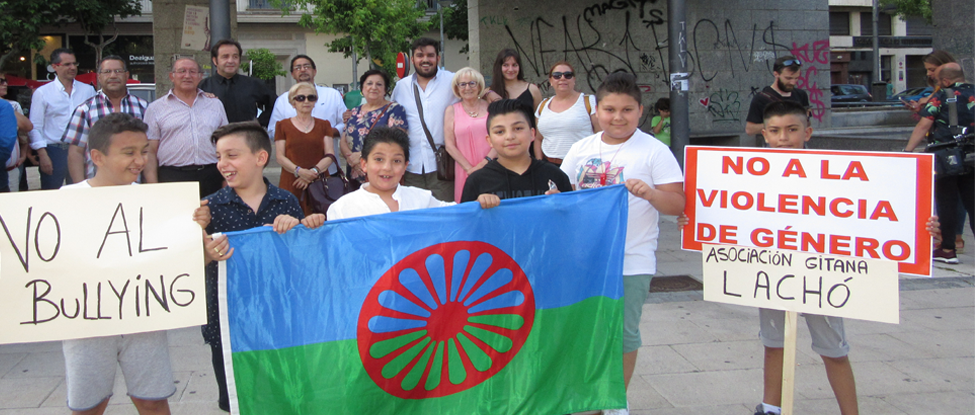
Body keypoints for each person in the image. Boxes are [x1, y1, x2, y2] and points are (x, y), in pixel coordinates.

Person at [59, 112, 210, 415]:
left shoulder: (156, 200)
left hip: (144, 318)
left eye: (143, 151)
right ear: (97, 157)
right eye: (128, 153)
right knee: (89, 404)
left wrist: (199, 232)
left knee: (153, 400)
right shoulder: (65, 199)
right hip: (86, 322)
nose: (139, 160)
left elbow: (183, 261)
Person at [560, 72, 685, 415]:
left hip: (632, 259)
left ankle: (616, 399)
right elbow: (563, 196)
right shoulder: (580, 149)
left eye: (627, 110)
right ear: (596, 111)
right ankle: (586, 393)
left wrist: (652, 193)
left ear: (640, 111)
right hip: (584, 259)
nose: (618, 117)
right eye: (610, 109)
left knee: (625, 334)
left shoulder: (654, 151)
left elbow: (678, 204)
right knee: (585, 330)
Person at [202, 121, 325, 411]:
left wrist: (303, 227)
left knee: (288, 394)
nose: (223, 164)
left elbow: (303, 262)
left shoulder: (287, 201)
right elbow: (189, 268)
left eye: (232, 155)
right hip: (229, 325)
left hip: (281, 320)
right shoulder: (208, 209)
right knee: (238, 398)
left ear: (260, 158)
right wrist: (206, 251)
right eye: (218, 156)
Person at [904, 62, 974, 264]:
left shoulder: (943, 94)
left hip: (946, 155)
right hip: (972, 155)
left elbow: (924, 124)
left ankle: (947, 249)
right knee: (972, 202)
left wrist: (908, 151)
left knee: (946, 202)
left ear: (945, 80)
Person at [144, 58, 229, 198]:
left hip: (211, 175)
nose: (187, 76)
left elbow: (226, 145)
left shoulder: (215, 105)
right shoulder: (155, 108)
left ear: (200, 76)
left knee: (214, 218)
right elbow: (150, 151)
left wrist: (227, 179)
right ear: (172, 76)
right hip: (172, 177)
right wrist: (153, 185)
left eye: (192, 72)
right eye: (181, 71)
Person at [327, 127, 453, 220]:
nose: (387, 168)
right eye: (379, 159)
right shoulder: (342, 209)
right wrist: (313, 225)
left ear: (405, 167)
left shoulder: (422, 200)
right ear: (364, 164)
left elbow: (458, 214)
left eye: (396, 161)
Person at [461, 99, 571, 204]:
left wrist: (562, 205)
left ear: (532, 133)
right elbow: (465, 221)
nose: (510, 136)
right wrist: (477, 206)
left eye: (518, 128)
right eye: (500, 131)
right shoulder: (477, 181)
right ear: (489, 141)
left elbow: (572, 218)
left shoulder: (555, 175)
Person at [390, 37, 459, 202]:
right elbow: (388, 112)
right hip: (411, 166)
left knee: (444, 215)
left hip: (442, 167)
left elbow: (474, 92)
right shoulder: (401, 86)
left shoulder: (453, 81)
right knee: (415, 216)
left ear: (438, 58)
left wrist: (489, 94)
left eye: (430, 55)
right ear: (413, 59)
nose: (425, 60)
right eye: (420, 55)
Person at [61, 56, 148, 182]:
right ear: (99, 77)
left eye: (118, 71)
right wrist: (81, 188)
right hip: (97, 186)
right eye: (107, 72)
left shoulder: (143, 107)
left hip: (135, 185)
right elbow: (76, 153)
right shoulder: (85, 110)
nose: (113, 76)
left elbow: (149, 149)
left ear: (126, 75)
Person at [28, 48, 96, 189]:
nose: (72, 68)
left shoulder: (88, 90)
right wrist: (42, 154)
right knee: (52, 194)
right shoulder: (43, 93)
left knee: (81, 191)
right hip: (54, 150)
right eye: (67, 64)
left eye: (74, 64)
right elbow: (35, 126)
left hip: (81, 149)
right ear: (55, 67)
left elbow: (94, 121)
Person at [274, 82, 339, 215]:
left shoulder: (324, 125)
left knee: (319, 221)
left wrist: (312, 173)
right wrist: (299, 171)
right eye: (300, 98)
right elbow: (280, 157)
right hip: (291, 182)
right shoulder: (282, 126)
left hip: (319, 182)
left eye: (311, 97)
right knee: (291, 223)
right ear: (293, 102)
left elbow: (330, 155)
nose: (306, 101)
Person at [340, 69, 408, 186]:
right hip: (354, 171)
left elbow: (396, 141)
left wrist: (362, 156)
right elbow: (343, 140)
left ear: (385, 89)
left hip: (381, 172)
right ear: (362, 88)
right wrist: (351, 159)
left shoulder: (395, 109)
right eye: (369, 83)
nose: (374, 87)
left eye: (379, 84)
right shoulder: (355, 111)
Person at [198, 39, 276, 127]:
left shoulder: (253, 84)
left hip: (246, 137)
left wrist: (259, 122)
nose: (231, 61)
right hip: (214, 138)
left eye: (235, 57)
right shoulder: (202, 86)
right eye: (225, 57)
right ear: (215, 61)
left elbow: (276, 104)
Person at [534, 61, 600, 165]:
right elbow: (538, 139)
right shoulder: (543, 105)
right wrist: (539, 163)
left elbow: (600, 134)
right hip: (550, 165)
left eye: (568, 75)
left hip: (582, 164)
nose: (562, 78)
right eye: (557, 76)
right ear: (551, 81)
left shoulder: (589, 102)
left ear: (574, 79)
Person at [267, 55, 346, 140]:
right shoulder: (283, 100)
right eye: (298, 67)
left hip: (327, 151)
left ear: (314, 71)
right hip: (293, 151)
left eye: (307, 66)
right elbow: (272, 130)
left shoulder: (332, 95)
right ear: (292, 74)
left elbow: (345, 123)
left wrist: (328, 132)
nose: (302, 70)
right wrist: (294, 133)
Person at [444, 67, 494, 202]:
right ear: (457, 88)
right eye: (463, 84)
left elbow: (498, 139)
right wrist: (470, 169)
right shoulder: (451, 110)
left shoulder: (490, 107)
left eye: (472, 83)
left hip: (491, 166)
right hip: (464, 170)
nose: (468, 88)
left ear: (479, 86)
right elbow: (449, 145)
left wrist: (483, 164)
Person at [744, 55, 810, 139]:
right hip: (774, 145)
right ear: (776, 74)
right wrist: (777, 124)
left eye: (796, 78)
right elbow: (750, 130)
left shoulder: (801, 95)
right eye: (788, 78)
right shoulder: (761, 98)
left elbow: (807, 124)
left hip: (797, 145)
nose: (793, 82)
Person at [1, 73, 32, 192]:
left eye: (5, 80)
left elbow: (26, 128)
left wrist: (23, 154)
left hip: (11, 168)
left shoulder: (12, 105)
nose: (5, 84)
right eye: (0, 81)